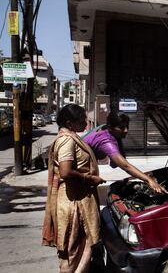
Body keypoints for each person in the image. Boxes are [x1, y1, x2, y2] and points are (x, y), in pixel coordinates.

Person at [42, 104, 106, 273]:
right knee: (73, 251)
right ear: (70, 123)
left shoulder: (71, 137)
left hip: (77, 201)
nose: (86, 122)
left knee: (81, 248)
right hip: (74, 205)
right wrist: (90, 177)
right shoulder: (66, 141)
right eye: (82, 119)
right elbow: (65, 171)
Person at [83, 111, 167, 194]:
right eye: (122, 127)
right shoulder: (106, 141)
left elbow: (122, 161)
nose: (126, 130)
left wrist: (143, 175)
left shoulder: (107, 129)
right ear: (110, 127)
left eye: (127, 126)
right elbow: (125, 166)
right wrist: (148, 180)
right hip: (79, 171)